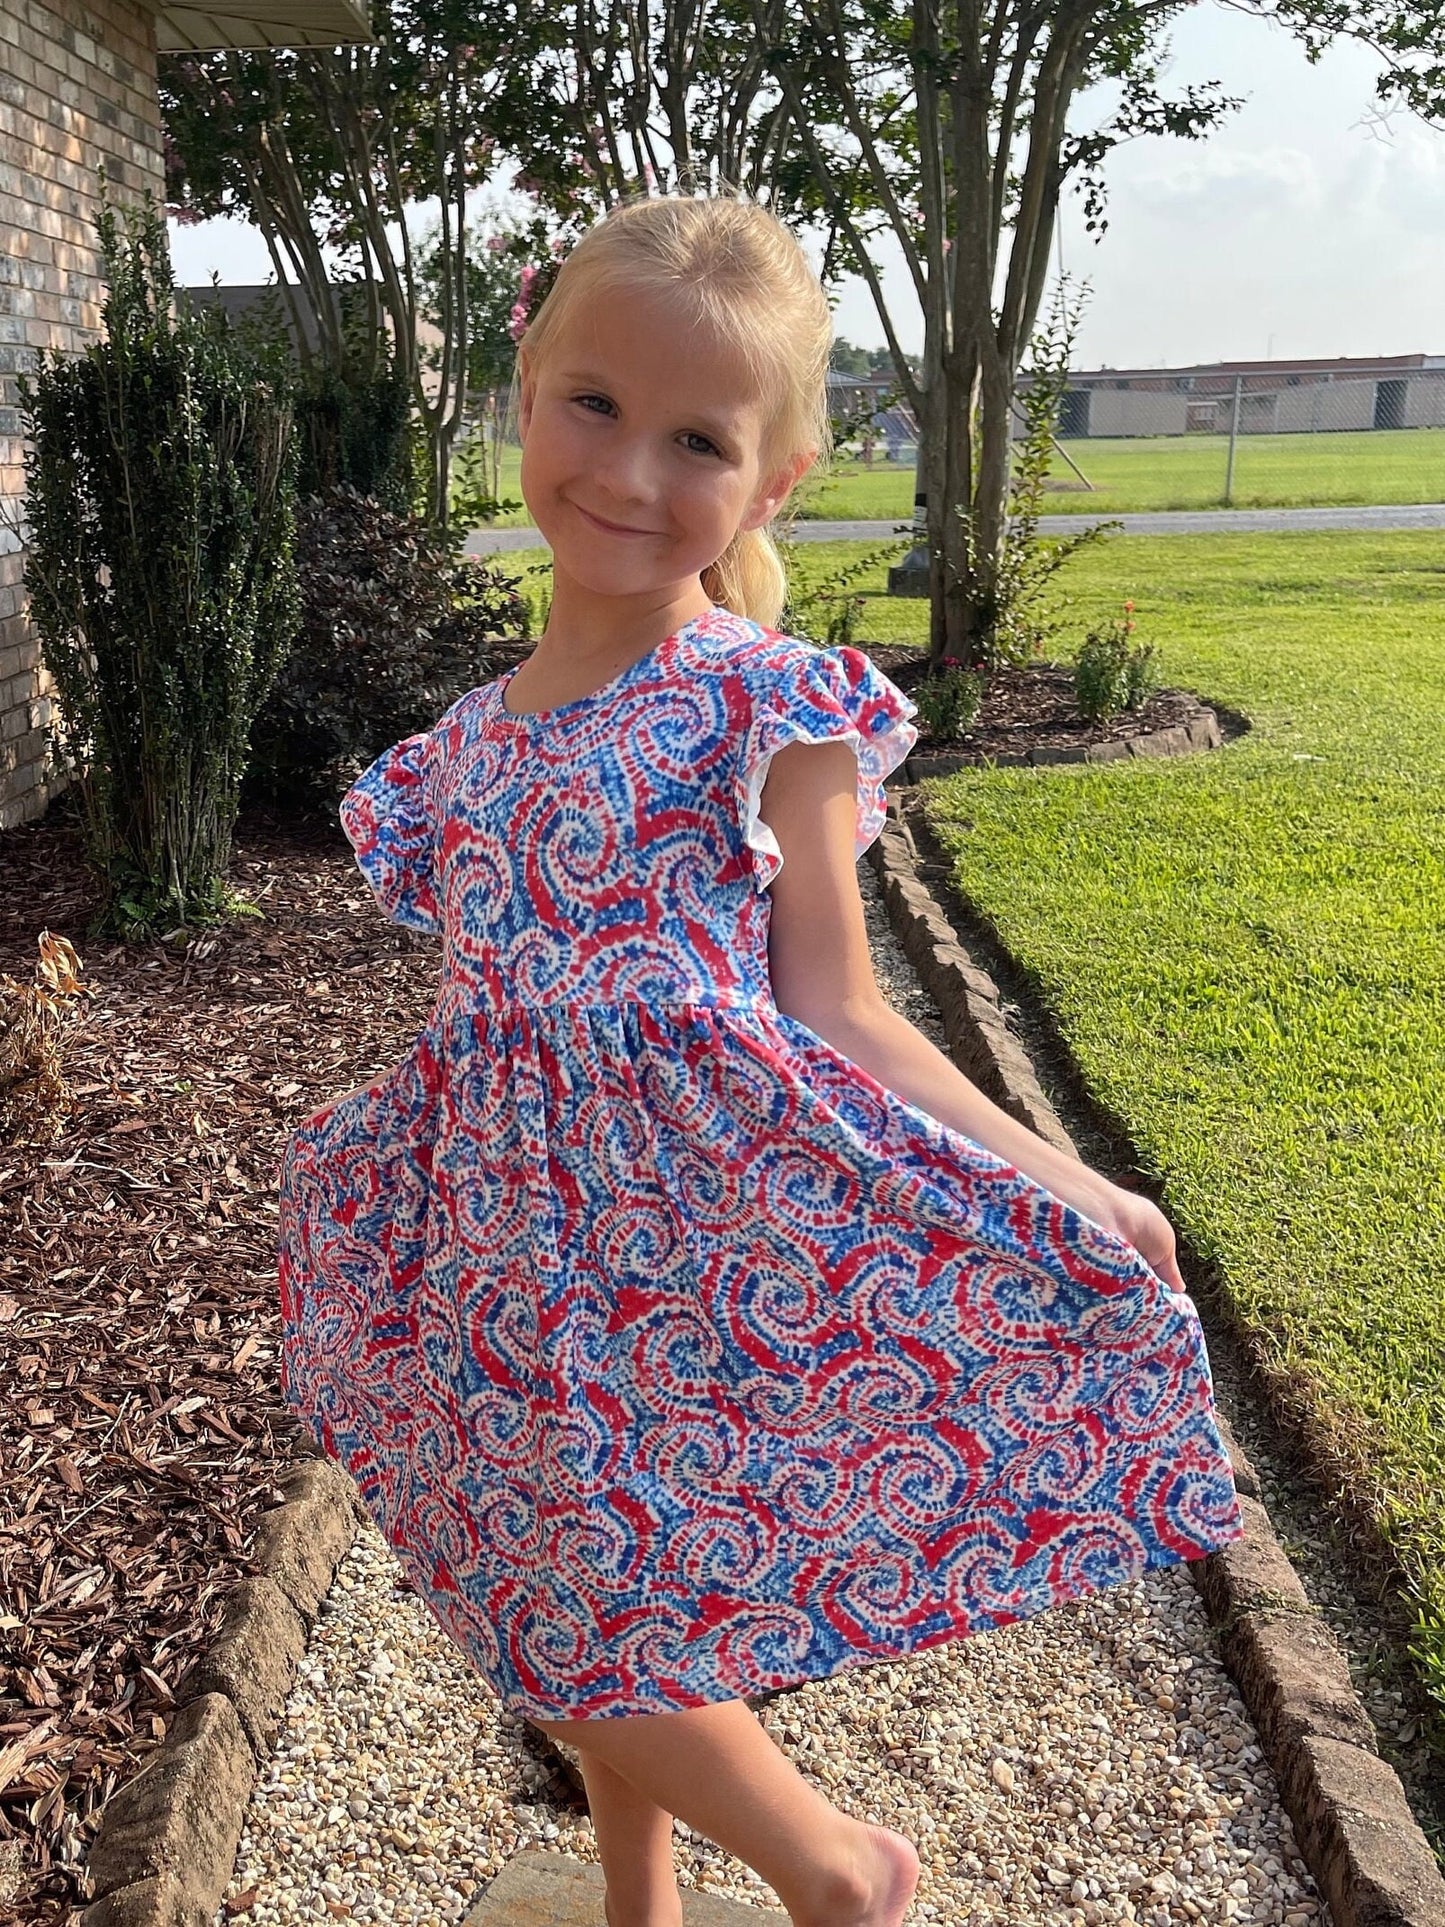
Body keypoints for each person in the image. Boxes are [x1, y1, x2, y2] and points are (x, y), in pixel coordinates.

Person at [277, 188, 1245, 1927]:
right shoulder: (453, 755)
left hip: (696, 1245)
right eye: (593, 406)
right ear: (523, 386)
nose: (631, 475)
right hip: (507, 1259)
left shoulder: (762, 704)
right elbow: (472, 1012)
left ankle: (837, 1869)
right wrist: (396, 1192)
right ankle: (637, 1904)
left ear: (773, 479)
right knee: (561, 1583)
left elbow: (841, 1007)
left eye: (696, 440)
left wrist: (1063, 1178)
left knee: (587, 1612)